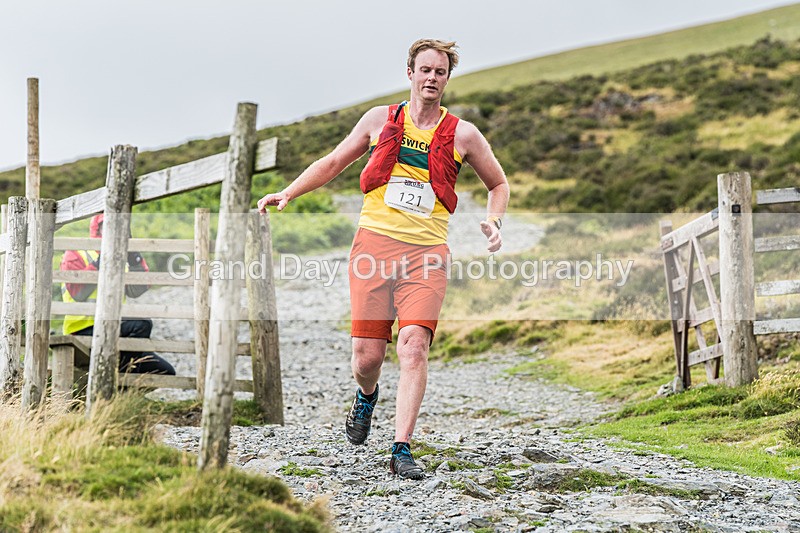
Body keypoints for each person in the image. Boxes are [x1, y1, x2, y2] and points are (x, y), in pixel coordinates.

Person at [258, 39, 509, 479]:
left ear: (447, 79)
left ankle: (401, 447)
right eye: (425, 70)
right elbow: (334, 160)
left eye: (441, 72)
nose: (432, 78)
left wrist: (495, 221)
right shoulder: (380, 119)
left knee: (414, 346)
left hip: (428, 253)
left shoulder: (464, 134)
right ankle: (366, 396)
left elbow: (498, 185)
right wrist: (289, 192)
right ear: (410, 73)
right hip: (373, 248)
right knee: (366, 358)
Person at [60, 213, 176, 375]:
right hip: (82, 330)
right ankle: (112, 379)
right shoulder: (77, 252)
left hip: (113, 327)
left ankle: (116, 389)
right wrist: (103, 259)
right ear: (96, 229)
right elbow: (78, 293)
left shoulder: (122, 256)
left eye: (120, 227)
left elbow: (138, 290)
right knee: (141, 324)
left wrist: (132, 255)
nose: (114, 231)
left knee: (165, 371)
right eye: (106, 226)